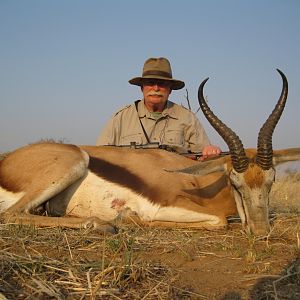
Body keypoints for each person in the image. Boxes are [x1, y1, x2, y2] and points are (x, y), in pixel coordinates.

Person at [96, 57, 221, 160]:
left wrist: (209, 152)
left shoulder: (187, 118)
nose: (155, 88)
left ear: (170, 90)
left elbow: (202, 155)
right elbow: (101, 157)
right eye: (150, 82)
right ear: (142, 88)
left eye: (162, 84)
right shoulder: (121, 118)